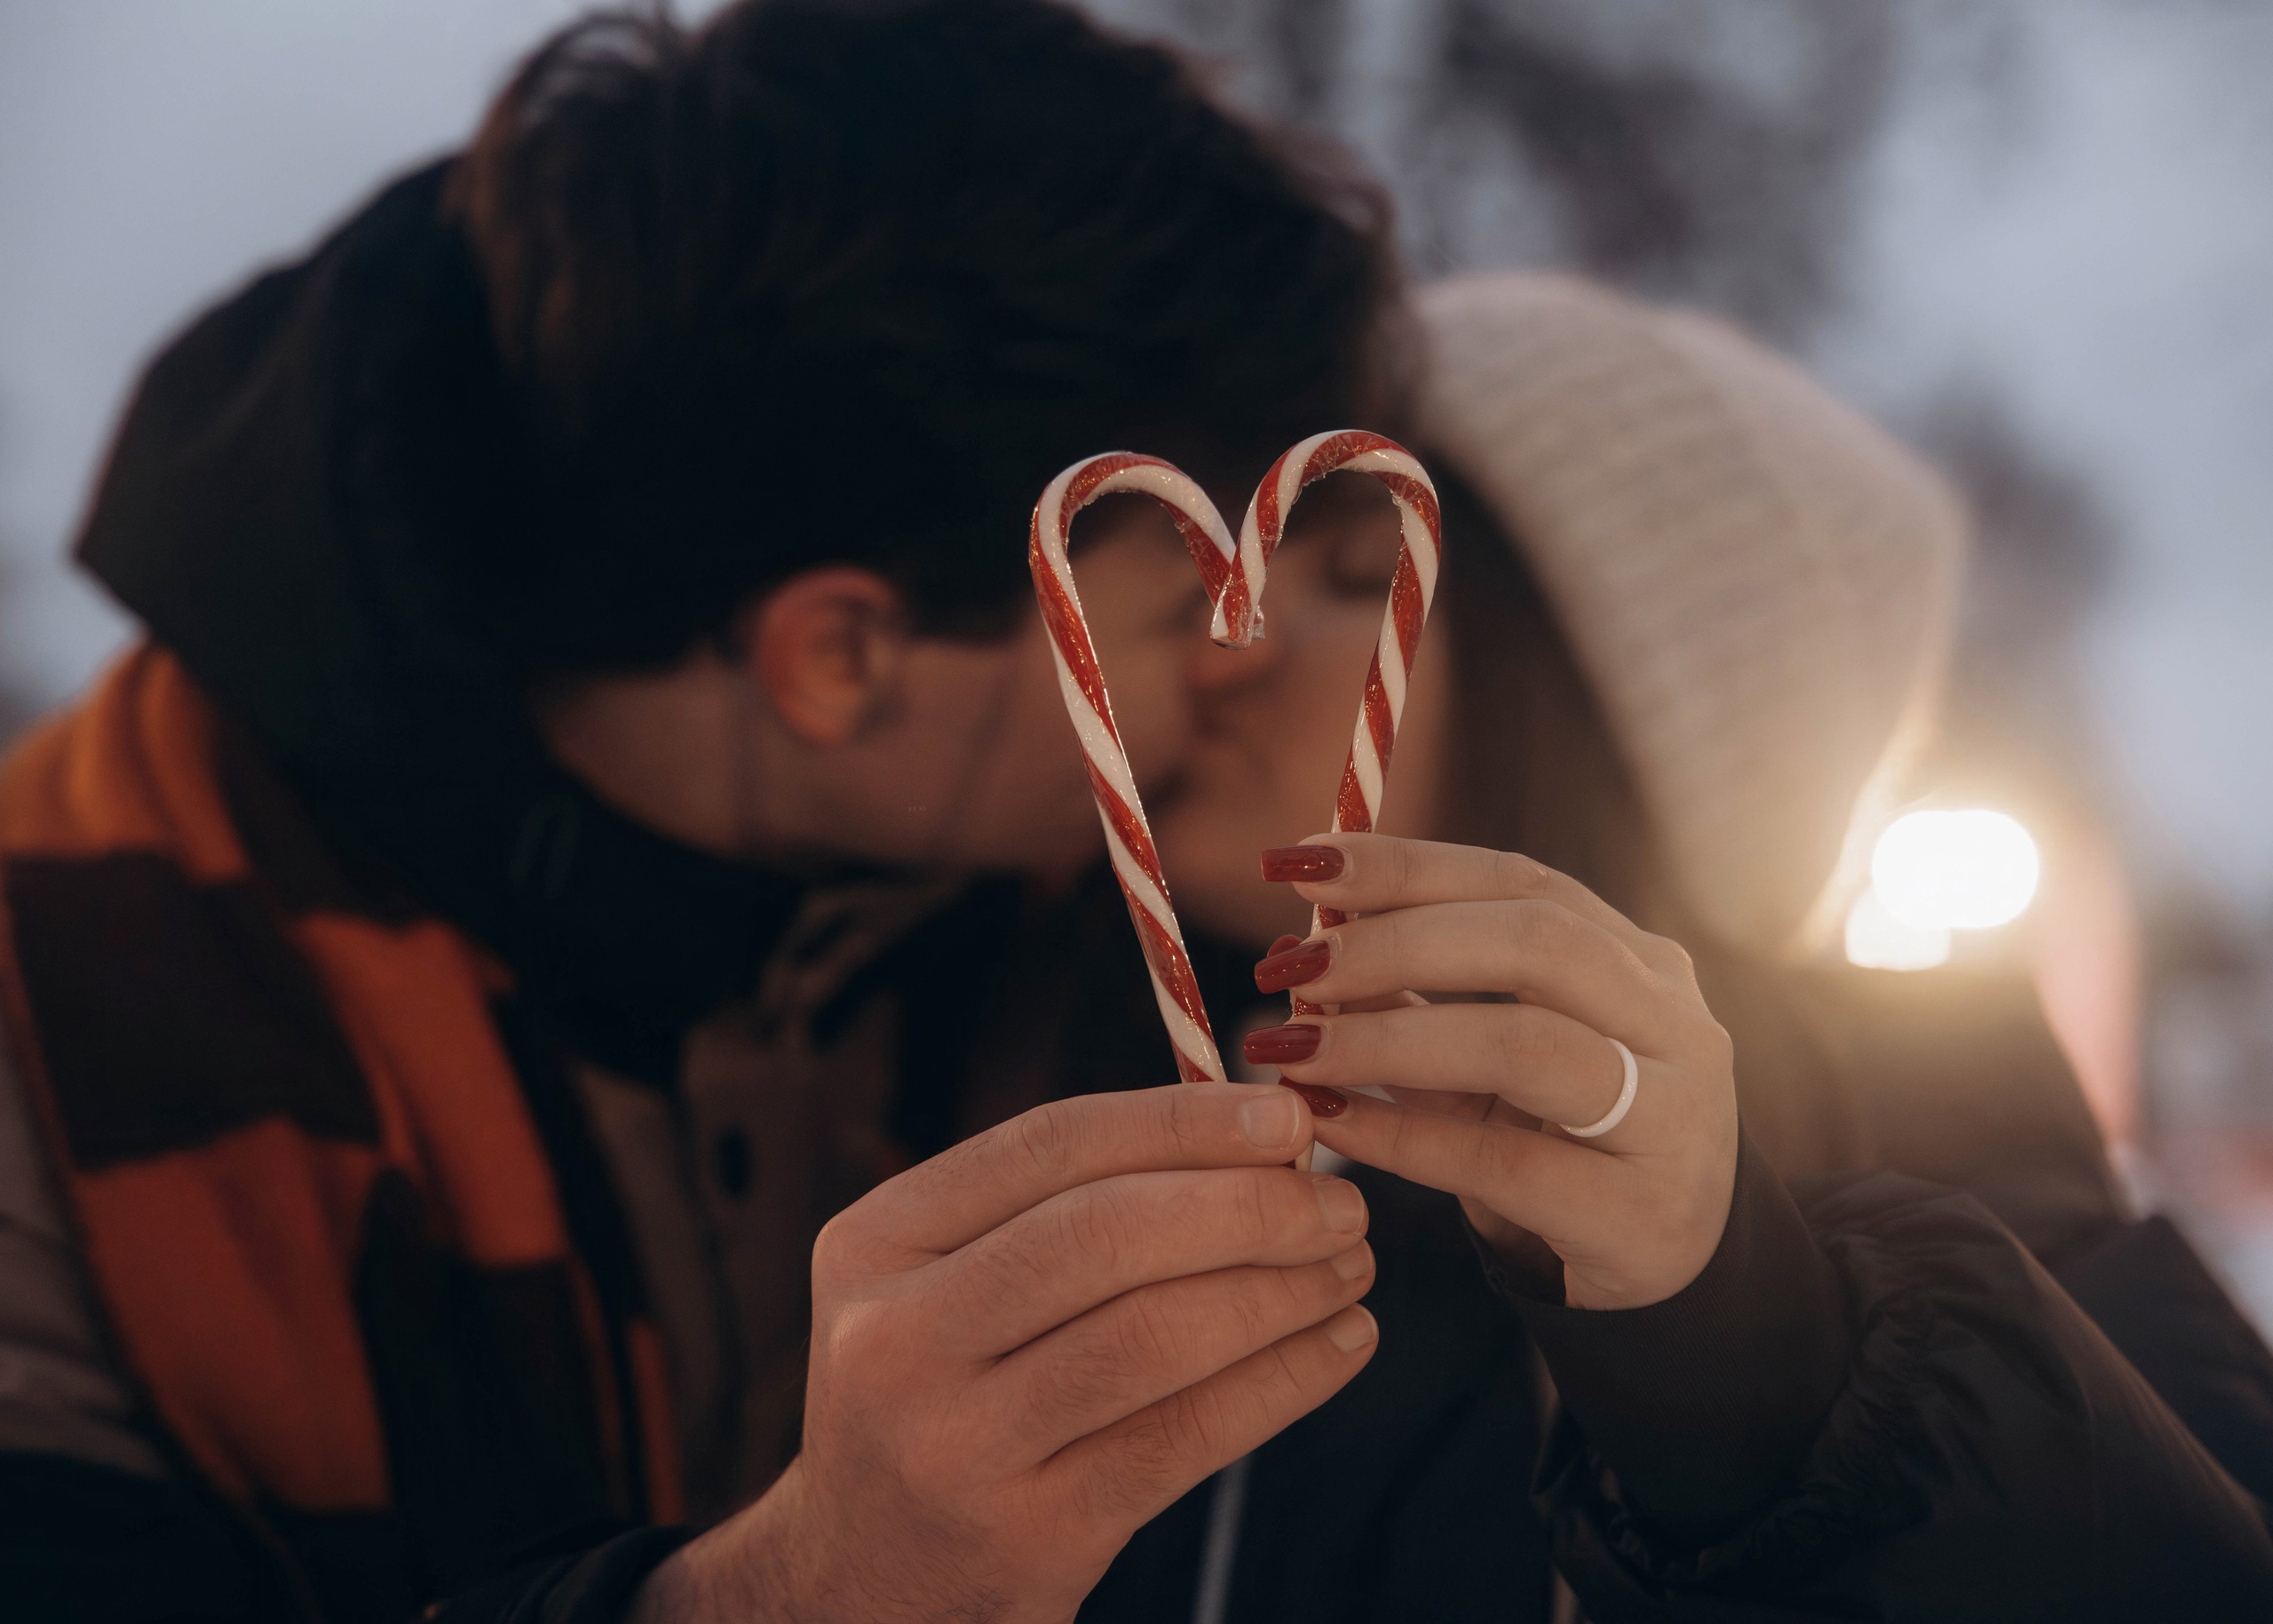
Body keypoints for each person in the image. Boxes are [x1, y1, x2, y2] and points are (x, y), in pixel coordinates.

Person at [0, 6, 2266, 1624]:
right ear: (833, 662)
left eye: (1355, 572)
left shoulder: (1884, 1097)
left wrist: (1753, 1348)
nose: (1252, 643)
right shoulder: (997, 942)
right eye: (1207, 564)